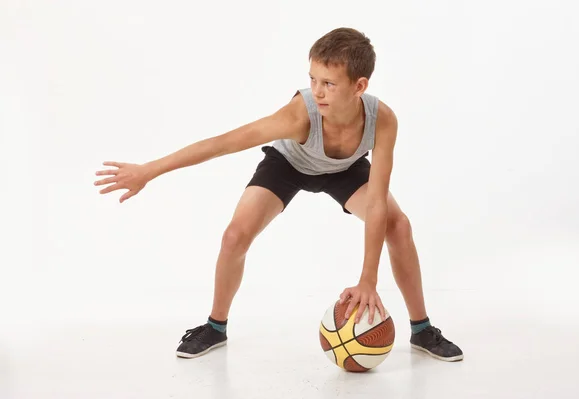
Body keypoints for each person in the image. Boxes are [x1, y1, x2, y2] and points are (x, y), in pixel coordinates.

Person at [94, 27, 463, 362]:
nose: (317, 91)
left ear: (359, 86)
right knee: (234, 235)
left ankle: (422, 329)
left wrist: (368, 279)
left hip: (344, 170)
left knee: (398, 226)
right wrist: (149, 170)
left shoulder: (383, 120)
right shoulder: (299, 114)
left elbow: (379, 201)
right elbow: (224, 143)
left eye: (329, 84)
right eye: (313, 79)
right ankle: (215, 327)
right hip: (288, 164)